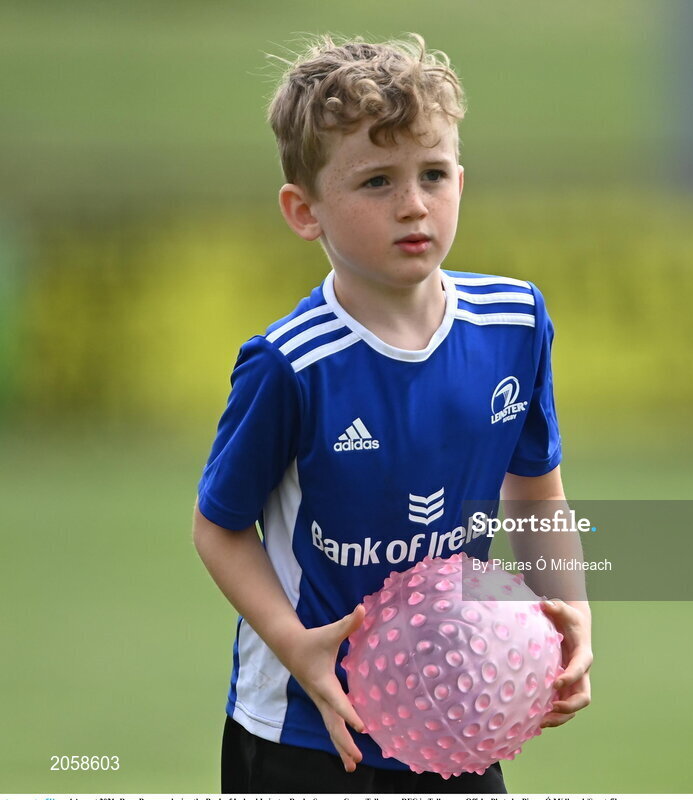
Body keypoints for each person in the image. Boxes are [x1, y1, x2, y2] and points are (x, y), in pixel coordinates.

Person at [192, 33, 592, 793]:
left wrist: (569, 612)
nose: (414, 205)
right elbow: (219, 526)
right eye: (376, 182)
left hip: (457, 717)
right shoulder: (290, 364)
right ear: (304, 211)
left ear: (461, 182)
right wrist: (297, 645)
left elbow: (536, 490)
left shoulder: (515, 323)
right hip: (310, 731)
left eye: (433, 175)